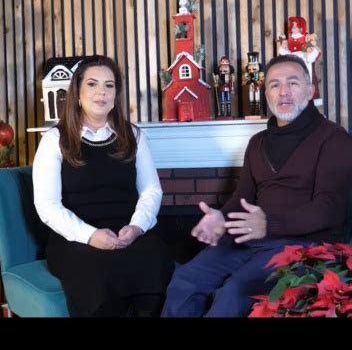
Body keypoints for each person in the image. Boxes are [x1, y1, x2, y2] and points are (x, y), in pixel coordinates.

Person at [161, 54, 352, 317]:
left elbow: (329, 209)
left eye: (293, 82)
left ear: (310, 91)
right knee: (185, 281)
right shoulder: (258, 143)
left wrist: (269, 225)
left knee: (234, 294)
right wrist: (221, 218)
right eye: (274, 85)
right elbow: (243, 197)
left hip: (304, 247)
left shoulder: (334, 139)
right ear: (266, 94)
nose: (283, 91)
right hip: (250, 240)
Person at [33, 55, 174, 317]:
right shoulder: (54, 140)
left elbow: (151, 190)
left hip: (128, 232)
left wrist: (136, 227)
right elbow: (47, 205)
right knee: (95, 270)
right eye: (92, 84)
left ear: (116, 95)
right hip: (75, 238)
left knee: (155, 256)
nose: (102, 92)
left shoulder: (134, 135)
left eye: (109, 85)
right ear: (77, 92)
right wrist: (90, 236)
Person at [243, 51, 265, 116]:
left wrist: (259, 81)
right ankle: (252, 112)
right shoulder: (247, 74)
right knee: (251, 99)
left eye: (254, 66)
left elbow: (262, 80)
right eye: (250, 66)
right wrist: (246, 80)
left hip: (257, 87)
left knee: (257, 98)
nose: (251, 68)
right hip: (251, 87)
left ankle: (257, 112)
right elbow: (244, 81)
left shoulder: (260, 74)